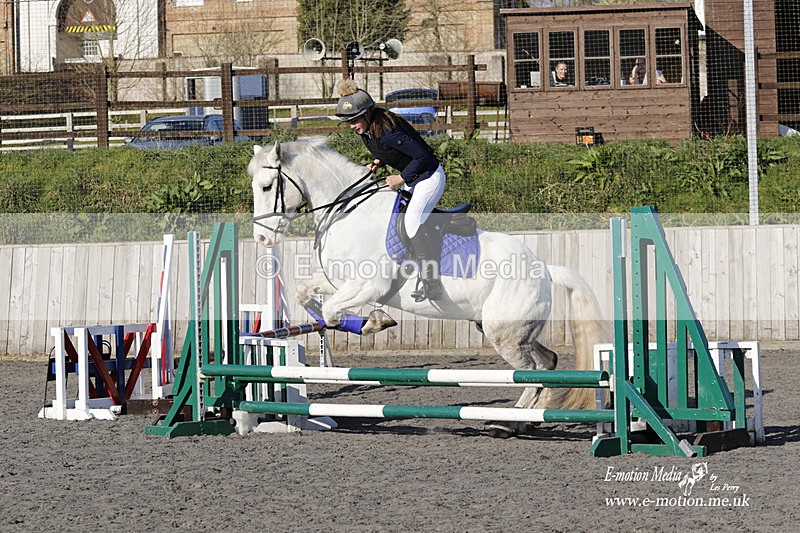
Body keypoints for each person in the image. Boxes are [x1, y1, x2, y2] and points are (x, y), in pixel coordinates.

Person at [335, 79, 445, 302]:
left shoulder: (387, 132)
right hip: (414, 178)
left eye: (354, 120)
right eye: (347, 121)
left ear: (367, 114)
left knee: (412, 221)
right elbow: (390, 151)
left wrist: (400, 177)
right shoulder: (370, 129)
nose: (351, 125)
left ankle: (432, 283)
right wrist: (377, 162)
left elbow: (424, 155)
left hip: (429, 177)